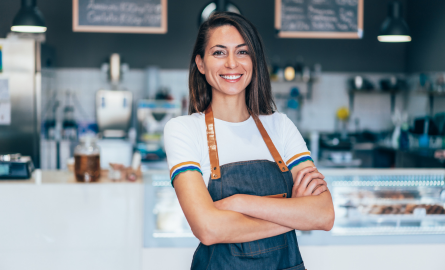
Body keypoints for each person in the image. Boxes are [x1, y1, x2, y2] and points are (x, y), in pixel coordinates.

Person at [164, 12, 335, 270]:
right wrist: (295, 212)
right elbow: (208, 229)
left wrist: (238, 203)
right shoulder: (183, 130)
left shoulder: (281, 126)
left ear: (254, 60)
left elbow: (324, 214)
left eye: (242, 52)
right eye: (219, 53)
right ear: (200, 63)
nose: (232, 63)